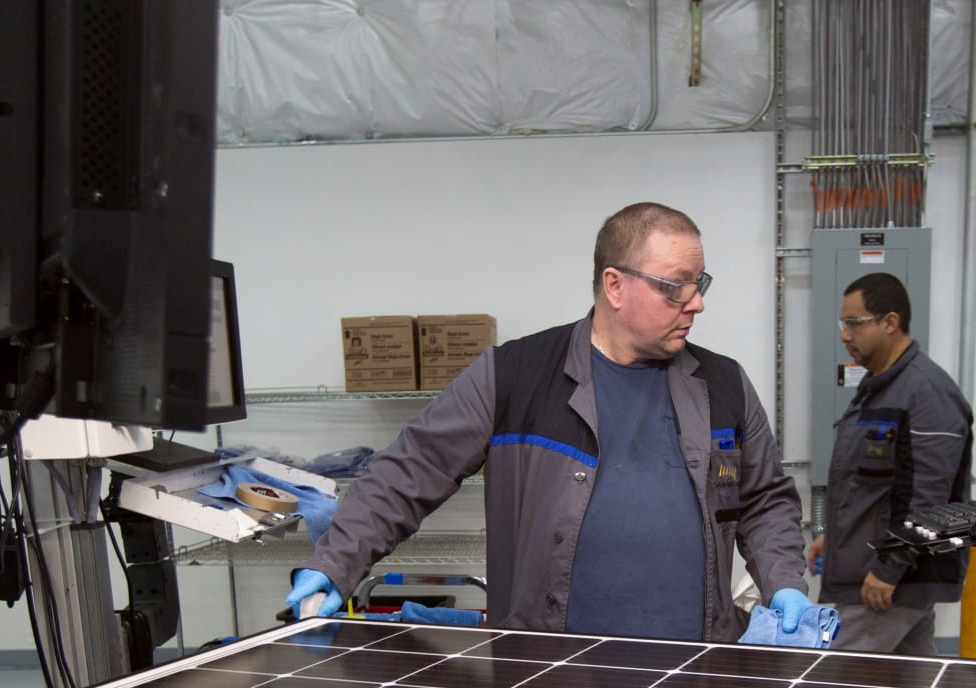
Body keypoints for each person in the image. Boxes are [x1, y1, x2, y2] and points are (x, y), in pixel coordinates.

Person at [286, 202, 810, 642]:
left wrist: (783, 581)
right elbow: (408, 472)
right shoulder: (514, 376)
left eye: (700, 284)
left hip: (694, 675)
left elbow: (764, 499)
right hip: (550, 675)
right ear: (615, 285)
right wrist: (336, 561)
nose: (695, 303)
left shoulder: (723, 384)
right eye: (675, 286)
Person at [807, 272, 973, 655]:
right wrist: (835, 537)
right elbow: (866, 488)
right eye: (843, 324)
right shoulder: (879, 388)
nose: (844, 335)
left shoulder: (926, 394)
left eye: (854, 323)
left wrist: (888, 568)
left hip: (892, 582)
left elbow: (927, 499)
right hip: (885, 573)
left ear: (890, 323)